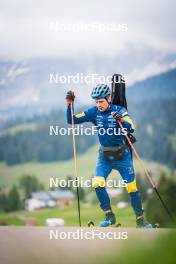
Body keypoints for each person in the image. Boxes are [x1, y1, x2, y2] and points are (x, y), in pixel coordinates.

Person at [66, 84, 152, 228]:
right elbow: (71, 120)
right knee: (97, 183)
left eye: (101, 101)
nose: (98, 104)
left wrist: (122, 120)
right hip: (104, 157)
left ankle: (140, 220)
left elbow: (131, 127)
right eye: (96, 101)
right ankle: (109, 215)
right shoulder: (94, 112)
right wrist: (69, 105)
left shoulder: (119, 110)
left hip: (122, 157)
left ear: (108, 98)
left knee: (132, 188)